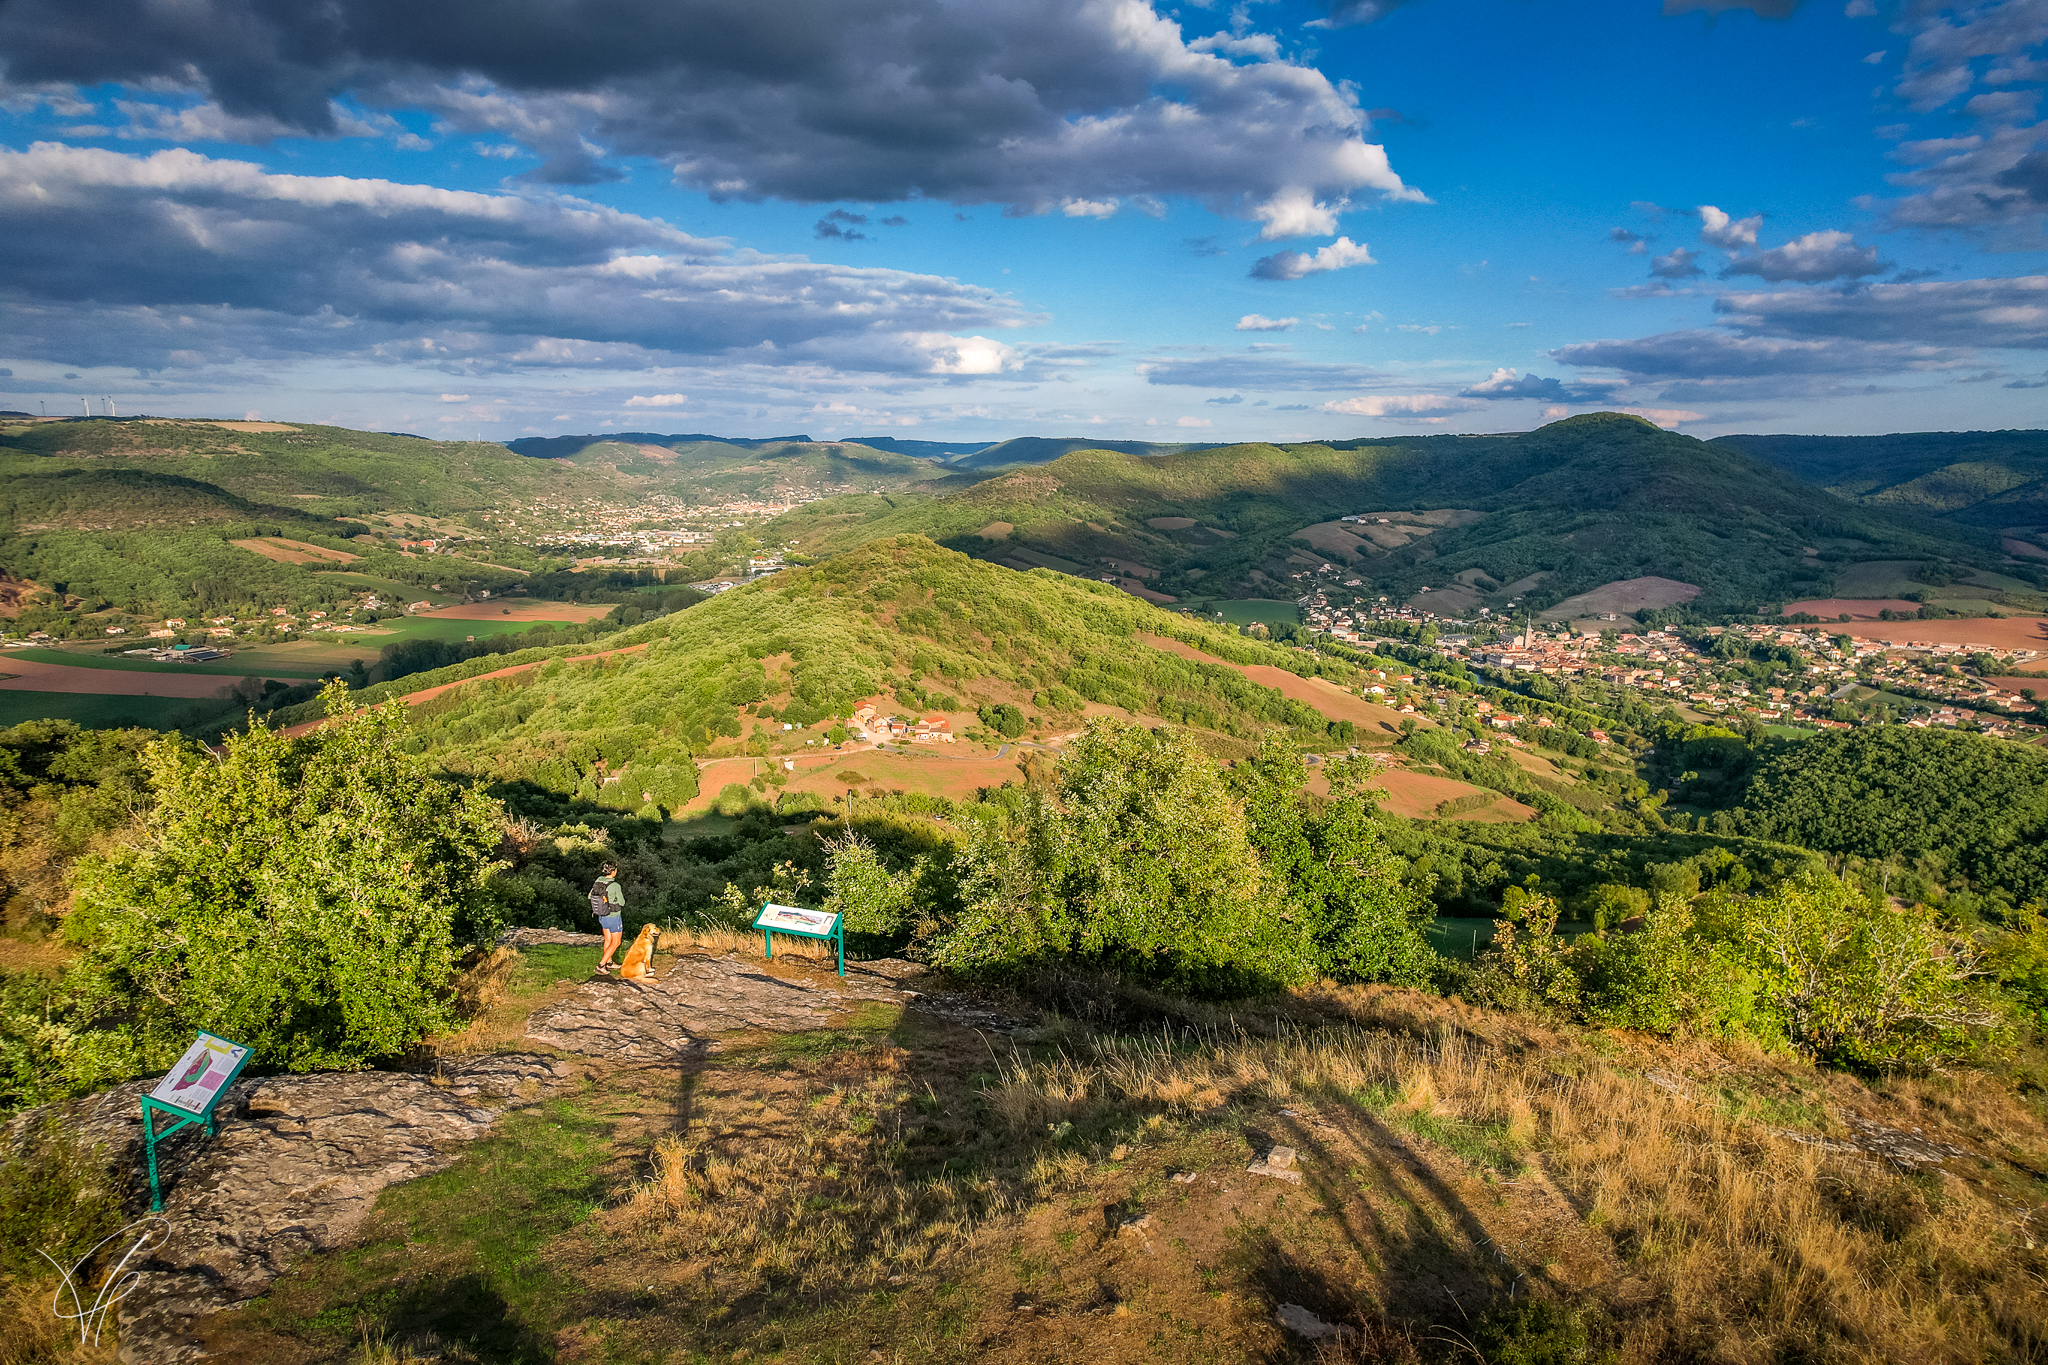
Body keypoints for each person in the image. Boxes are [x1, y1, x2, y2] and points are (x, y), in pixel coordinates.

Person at [589, 863, 626, 973]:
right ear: (613, 871)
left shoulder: (598, 881)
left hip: (602, 915)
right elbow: (622, 902)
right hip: (613, 916)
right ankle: (601, 965)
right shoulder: (615, 886)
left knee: (608, 939)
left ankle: (609, 963)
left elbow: (590, 896)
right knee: (616, 942)